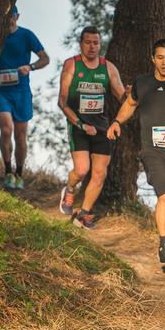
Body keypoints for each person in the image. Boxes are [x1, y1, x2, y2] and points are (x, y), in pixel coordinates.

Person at [109, 39, 165, 273]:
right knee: (164, 194)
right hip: (152, 150)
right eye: (161, 57)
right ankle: (164, 244)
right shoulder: (143, 83)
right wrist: (117, 121)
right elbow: (130, 104)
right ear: (153, 59)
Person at [57, 26, 125, 229]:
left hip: (102, 128)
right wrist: (79, 123)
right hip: (78, 125)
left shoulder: (108, 68)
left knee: (99, 173)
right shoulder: (72, 65)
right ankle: (69, 189)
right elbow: (62, 101)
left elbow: (121, 95)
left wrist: (129, 94)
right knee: (81, 170)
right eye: (88, 42)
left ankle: (84, 213)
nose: (92, 46)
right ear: (81, 44)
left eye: (96, 42)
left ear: (100, 44)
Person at [0, 5, 49, 191]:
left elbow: (45, 58)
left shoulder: (26, 35)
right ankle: (8, 171)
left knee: (21, 135)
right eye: (6, 17)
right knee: (6, 130)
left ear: (17, 16)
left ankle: (19, 174)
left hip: (21, 91)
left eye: (12, 16)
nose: (10, 20)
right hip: (0, 90)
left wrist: (30, 67)